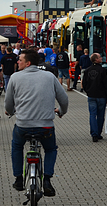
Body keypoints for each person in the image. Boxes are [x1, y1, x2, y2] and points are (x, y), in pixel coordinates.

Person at [5, 49, 68, 197]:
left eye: (20, 60)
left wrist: (11, 111)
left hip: (23, 125)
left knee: (17, 146)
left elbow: (8, 102)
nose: (17, 62)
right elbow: (64, 99)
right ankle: (47, 179)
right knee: (51, 149)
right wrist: (61, 111)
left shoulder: (15, 77)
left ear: (28, 63)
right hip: (45, 126)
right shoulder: (49, 76)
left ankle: (19, 178)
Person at [81, 53, 107, 142]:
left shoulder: (87, 70)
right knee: (100, 115)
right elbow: (106, 85)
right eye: (100, 57)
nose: (101, 58)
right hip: (101, 96)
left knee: (92, 115)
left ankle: (94, 133)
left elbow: (84, 83)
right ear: (96, 60)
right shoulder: (102, 70)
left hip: (91, 95)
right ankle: (98, 133)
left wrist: (88, 91)